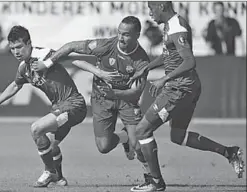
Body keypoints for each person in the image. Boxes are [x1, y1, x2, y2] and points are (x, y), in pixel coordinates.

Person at [128, 2, 245, 192]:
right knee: (178, 136)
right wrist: (146, 68)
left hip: (179, 89)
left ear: (162, 7)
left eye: (152, 8)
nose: (149, 13)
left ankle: (155, 182)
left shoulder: (177, 26)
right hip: (186, 88)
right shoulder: (170, 24)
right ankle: (229, 152)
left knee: (142, 131)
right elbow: (168, 55)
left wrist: (164, 78)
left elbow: (189, 60)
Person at [32, 16, 154, 179]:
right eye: (119, 33)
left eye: (126, 34)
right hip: (101, 100)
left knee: (137, 145)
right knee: (104, 146)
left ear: (137, 35)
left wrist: (116, 93)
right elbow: (71, 47)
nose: (120, 37)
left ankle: (151, 177)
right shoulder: (105, 45)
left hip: (126, 101)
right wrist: (47, 64)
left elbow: (136, 93)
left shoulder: (142, 61)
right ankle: (123, 137)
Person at [0, 25, 87, 188]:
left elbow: (69, 57)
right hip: (59, 107)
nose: (16, 52)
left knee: (36, 129)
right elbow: (16, 85)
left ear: (29, 43)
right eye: (12, 48)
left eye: (19, 47)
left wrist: (98, 71)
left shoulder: (43, 55)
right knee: (49, 146)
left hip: (74, 104)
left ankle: (49, 171)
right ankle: (58, 177)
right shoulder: (24, 67)